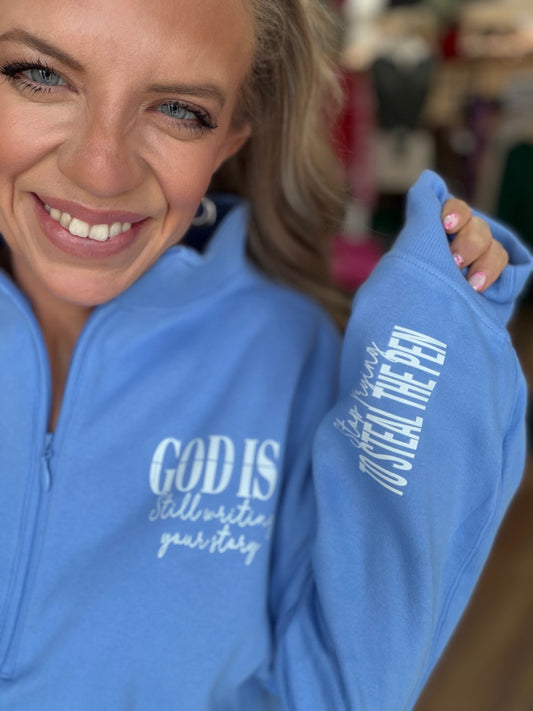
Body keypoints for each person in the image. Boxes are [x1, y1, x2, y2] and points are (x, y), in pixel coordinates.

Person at [0, 1, 530, 709]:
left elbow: (342, 685)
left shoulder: (290, 356)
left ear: (229, 139)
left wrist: (439, 335)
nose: (101, 170)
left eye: (179, 110)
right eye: (40, 75)